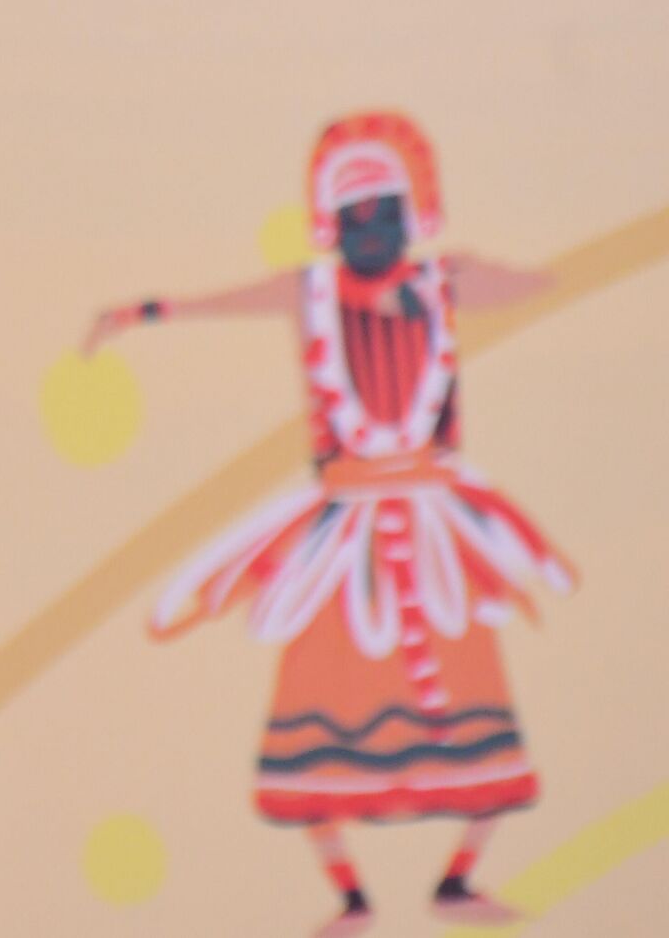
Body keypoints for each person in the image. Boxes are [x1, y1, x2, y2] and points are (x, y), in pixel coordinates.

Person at [85, 111, 572, 938]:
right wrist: (141, 312)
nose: (370, 231)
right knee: (316, 702)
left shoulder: (439, 284)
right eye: (354, 217)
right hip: (345, 540)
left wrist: (481, 272)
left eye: (385, 214)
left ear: (412, 214)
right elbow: (220, 302)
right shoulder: (310, 292)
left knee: (473, 702)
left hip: (433, 530)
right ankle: (350, 895)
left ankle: (457, 878)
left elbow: (534, 284)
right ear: (330, 221)